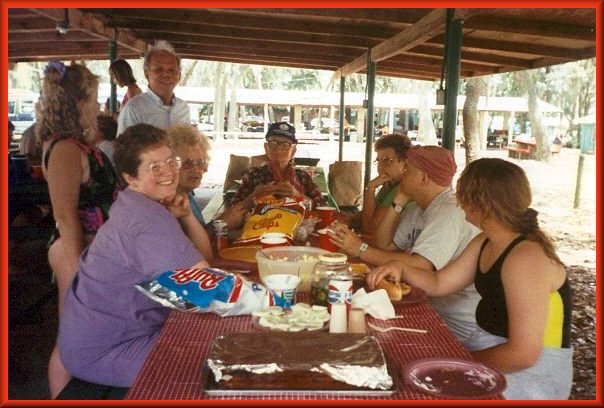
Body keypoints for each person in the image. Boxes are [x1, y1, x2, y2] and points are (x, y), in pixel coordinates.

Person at [367, 158, 573, 399]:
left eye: (462, 194)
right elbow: (439, 283)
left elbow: (523, 355)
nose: (458, 201)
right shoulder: (486, 240)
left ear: (479, 203)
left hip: (534, 375)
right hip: (491, 349)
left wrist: (461, 363)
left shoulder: (525, 257)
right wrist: (399, 267)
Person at [58, 123, 210, 389]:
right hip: (108, 349)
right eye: (155, 167)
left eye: (171, 161)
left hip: (98, 338)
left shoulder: (133, 203)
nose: (169, 172)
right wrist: (271, 304)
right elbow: (207, 289)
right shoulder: (146, 219)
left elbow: (203, 271)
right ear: (130, 178)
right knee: (216, 368)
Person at [328, 145, 481, 343]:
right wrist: (399, 201)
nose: (402, 172)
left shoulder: (448, 212)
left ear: (424, 178)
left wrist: (360, 249)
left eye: (407, 169)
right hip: (427, 305)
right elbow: (386, 245)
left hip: (456, 325)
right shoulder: (419, 206)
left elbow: (419, 265)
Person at [36, 61, 118, 398]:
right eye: (95, 99)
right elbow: (65, 215)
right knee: (72, 333)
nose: (99, 106)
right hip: (74, 247)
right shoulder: (65, 150)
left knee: (83, 329)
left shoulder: (76, 144)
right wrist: (79, 264)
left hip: (89, 247)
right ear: (77, 103)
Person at [227, 122, 326, 228]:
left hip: (297, 232)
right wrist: (252, 198)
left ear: (293, 151)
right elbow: (233, 210)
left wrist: (298, 195)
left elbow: (323, 208)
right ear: (266, 148)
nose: (278, 149)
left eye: (285, 145)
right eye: (273, 144)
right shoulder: (254, 175)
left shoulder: (303, 177)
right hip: (260, 231)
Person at [117, 40, 189, 136]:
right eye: (159, 69)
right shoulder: (133, 109)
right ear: (147, 74)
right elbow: (123, 149)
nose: (166, 74)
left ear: (179, 76)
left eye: (172, 70)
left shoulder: (183, 108)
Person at [165, 124, 215, 260]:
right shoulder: (167, 204)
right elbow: (200, 256)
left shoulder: (187, 195)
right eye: (187, 163)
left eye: (200, 163)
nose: (196, 169)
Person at [360, 133, 411, 237]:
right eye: (379, 162)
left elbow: (369, 228)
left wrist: (370, 189)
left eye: (387, 161)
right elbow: (364, 216)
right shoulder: (389, 185)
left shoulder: (405, 189)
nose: (380, 168)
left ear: (405, 163)